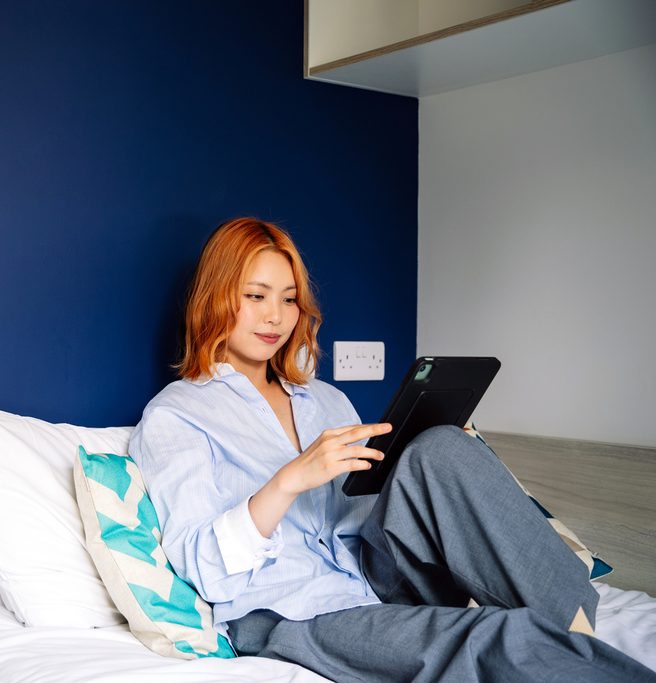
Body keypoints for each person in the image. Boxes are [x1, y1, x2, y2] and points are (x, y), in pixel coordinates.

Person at [129, 217, 654, 682]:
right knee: (496, 637)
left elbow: (369, 510)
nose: (276, 317)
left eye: (289, 298)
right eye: (256, 295)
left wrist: (428, 463)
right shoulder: (176, 416)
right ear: (217, 297)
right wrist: (290, 479)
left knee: (442, 447)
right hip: (296, 609)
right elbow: (204, 567)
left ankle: (574, 625)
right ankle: (565, 645)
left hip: (375, 575)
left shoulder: (325, 400)